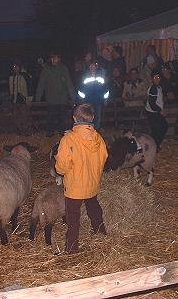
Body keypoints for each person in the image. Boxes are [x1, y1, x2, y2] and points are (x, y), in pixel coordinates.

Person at [55, 103, 108, 254]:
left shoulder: (68, 140)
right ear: (92, 118)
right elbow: (104, 157)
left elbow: (62, 166)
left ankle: (72, 248)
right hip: (92, 184)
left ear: (74, 118)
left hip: (74, 187)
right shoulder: (98, 138)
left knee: (73, 217)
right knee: (94, 209)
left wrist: (59, 170)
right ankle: (101, 233)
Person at [35, 51, 76, 136]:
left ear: (59, 59)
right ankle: (50, 132)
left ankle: (63, 133)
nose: (54, 60)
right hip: (51, 99)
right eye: (53, 58)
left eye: (56, 58)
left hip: (62, 99)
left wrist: (73, 97)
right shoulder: (46, 69)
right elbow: (41, 83)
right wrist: (37, 98)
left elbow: (69, 82)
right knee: (50, 117)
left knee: (63, 118)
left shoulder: (63, 68)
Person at [77, 60, 110, 130]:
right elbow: (81, 89)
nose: (92, 67)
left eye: (94, 66)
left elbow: (106, 89)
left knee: (98, 117)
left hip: (98, 100)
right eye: (91, 66)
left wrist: (105, 99)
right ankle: (89, 130)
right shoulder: (85, 76)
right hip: (88, 100)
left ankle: (96, 130)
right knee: (88, 116)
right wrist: (82, 100)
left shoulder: (101, 77)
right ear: (89, 67)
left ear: (96, 67)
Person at [145, 70, 168, 151]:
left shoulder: (158, 87)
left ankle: (155, 145)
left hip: (154, 112)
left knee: (159, 128)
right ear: (152, 79)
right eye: (155, 77)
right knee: (160, 128)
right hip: (153, 112)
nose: (157, 79)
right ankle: (155, 145)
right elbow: (152, 103)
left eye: (158, 77)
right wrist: (160, 110)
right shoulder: (153, 88)